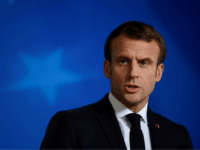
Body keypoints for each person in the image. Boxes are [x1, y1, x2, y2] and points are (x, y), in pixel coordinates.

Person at [40, 21, 193, 150]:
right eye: (123, 61)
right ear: (108, 68)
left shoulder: (178, 136)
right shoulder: (70, 125)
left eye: (144, 63)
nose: (133, 73)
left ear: (158, 73)